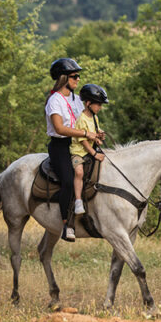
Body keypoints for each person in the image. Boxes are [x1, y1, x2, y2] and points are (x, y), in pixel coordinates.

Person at [45, 58, 101, 242]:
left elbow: (85, 119)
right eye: (74, 76)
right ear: (63, 78)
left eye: (78, 76)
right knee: (69, 180)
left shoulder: (78, 100)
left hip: (79, 143)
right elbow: (60, 128)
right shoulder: (54, 101)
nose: (78, 79)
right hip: (60, 145)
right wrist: (86, 133)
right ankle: (67, 224)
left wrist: (96, 132)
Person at [67, 83, 110, 223]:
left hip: (90, 150)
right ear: (88, 103)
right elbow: (83, 141)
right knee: (79, 172)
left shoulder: (94, 117)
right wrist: (94, 153)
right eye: (98, 104)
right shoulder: (81, 119)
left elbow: (93, 133)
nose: (100, 107)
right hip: (78, 152)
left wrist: (99, 135)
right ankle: (78, 200)